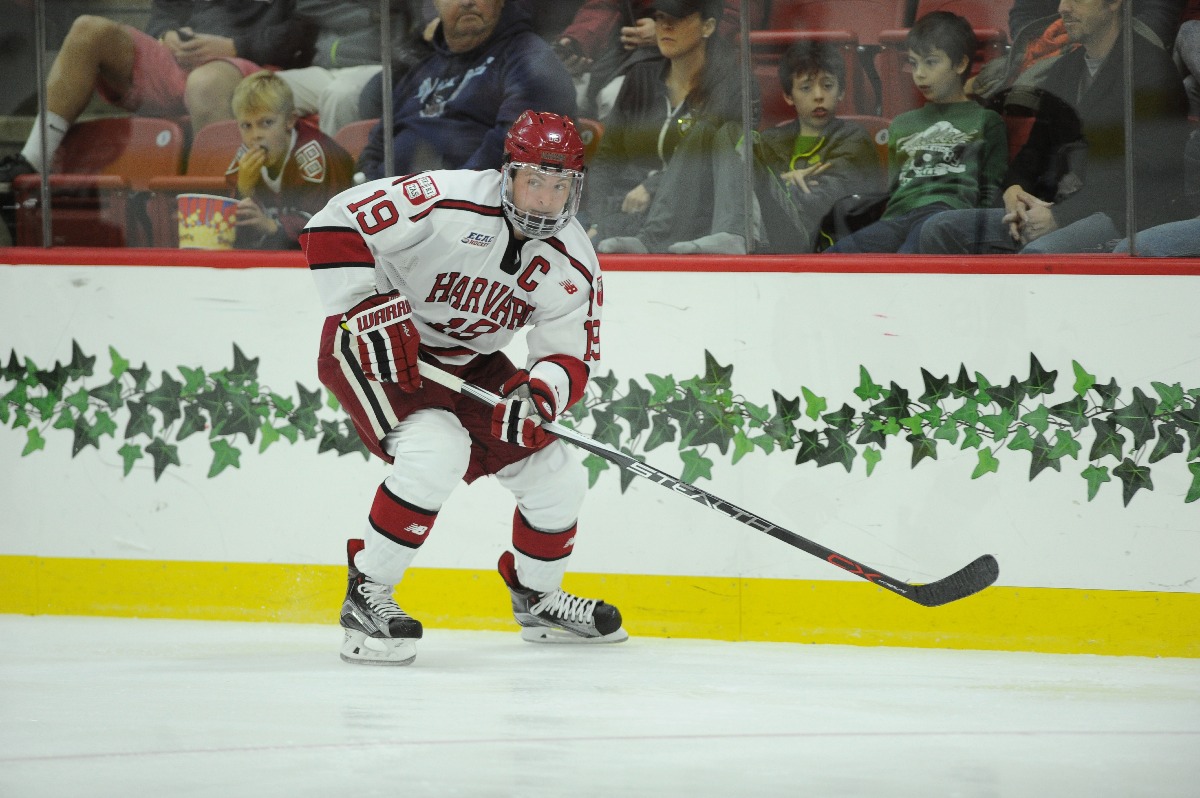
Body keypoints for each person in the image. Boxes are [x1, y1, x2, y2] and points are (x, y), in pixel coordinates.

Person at [299, 110, 626, 666]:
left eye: (559, 185)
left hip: (468, 362)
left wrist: (538, 395)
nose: (545, 198)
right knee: (436, 449)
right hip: (379, 345)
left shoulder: (574, 260)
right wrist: (365, 304)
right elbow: (332, 224)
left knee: (554, 476)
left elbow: (567, 354)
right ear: (508, 174)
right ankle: (367, 595)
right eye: (534, 181)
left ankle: (538, 598)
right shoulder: (446, 199)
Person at [918, 0, 1191, 255]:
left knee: (1038, 256)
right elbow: (1036, 151)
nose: (1063, 8)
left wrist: (1060, 217)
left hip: (1123, 218)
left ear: (1114, 3)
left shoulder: (1151, 70)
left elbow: (1141, 178)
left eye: (1077, 0)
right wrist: (1015, 190)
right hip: (1057, 208)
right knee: (939, 228)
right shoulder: (1066, 69)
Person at [0, 1, 317, 185]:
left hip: (251, 67)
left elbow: (305, 29)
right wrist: (166, 36)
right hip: (180, 60)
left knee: (205, 83)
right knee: (88, 30)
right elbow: (164, 14)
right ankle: (33, 159)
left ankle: (215, 206)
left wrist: (235, 46)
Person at [824, 12, 1007, 254]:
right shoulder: (902, 123)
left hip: (944, 215)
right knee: (833, 259)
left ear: (960, 64)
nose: (919, 73)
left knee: (905, 265)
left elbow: (991, 189)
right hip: (896, 218)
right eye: (913, 63)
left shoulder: (985, 120)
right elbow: (896, 187)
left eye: (931, 62)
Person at [586, 0, 756, 255]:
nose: (665, 26)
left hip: (700, 218)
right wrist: (599, 219)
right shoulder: (640, 77)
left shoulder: (733, 86)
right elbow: (607, 158)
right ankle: (641, 236)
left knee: (721, 135)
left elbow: (721, 162)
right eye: (660, 17)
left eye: (677, 18)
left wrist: (653, 186)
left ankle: (731, 233)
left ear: (708, 27)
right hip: (630, 215)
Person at [356, 0, 577, 182]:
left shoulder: (529, 59)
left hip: (467, 215)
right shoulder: (424, 65)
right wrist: (374, 190)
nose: (467, 2)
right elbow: (378, 144)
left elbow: (512, 150)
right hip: (397, 211)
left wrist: (443, 198)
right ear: (435, 4)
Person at [749, 39, 884, 253]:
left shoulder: (854, 138)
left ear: (841, 91)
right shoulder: (770, 141)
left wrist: (782, 182)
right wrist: (792, 182)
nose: (819, 95)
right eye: (806, 87)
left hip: (828, 246)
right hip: (775, 243)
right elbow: (753, 192)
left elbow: (826, 199)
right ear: (788, 96)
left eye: (828, 85)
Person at [552, 0, 765, 120]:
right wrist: (576, 42)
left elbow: (734, 14)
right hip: (626, 57)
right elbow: (606, 6)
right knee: (560, 90)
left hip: (698, 58)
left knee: (612, 96)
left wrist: (666, 30)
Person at [225, 71, 354, 250]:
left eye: (266, 123)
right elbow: (233, 233)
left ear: (290, 121)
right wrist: (243, 190)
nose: (255, 135)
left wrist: (272, 226)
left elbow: (323, 227)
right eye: (247, 126)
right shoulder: (244, 157)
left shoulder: (315, 155)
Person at [275, 0, 432, 138]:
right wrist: (367, 15)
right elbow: (307, 5)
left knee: (339, 95)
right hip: (328, 68)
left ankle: (337, 168)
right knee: (266, 89)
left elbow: (419, 17)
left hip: (378, 66)